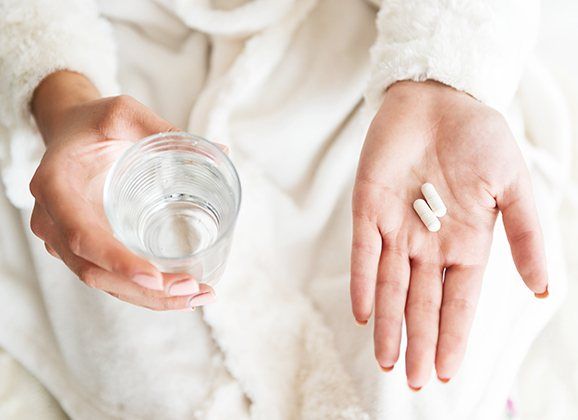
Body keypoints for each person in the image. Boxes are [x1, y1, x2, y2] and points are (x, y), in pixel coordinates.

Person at [0, 0, 566, 419]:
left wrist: (447, 79)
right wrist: (59, 98)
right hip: (116, 64)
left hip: (375, 51)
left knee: (419, 375)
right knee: (160, 379)